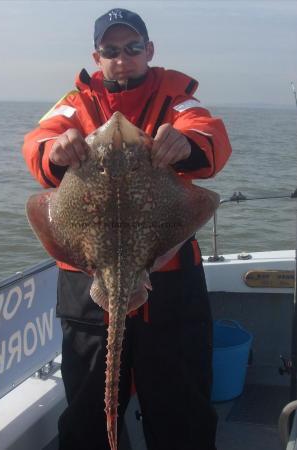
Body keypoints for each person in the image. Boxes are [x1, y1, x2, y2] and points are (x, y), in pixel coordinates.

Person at [22, 8, 232, 450]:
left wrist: (187, 143)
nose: (122, 58)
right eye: (111, 50)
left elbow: (210, 135)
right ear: (97, 56)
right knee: (88, 403)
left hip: (169, 279)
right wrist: (55, 150)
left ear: (149, 51)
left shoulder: (176, 97)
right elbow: (38, 141)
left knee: (180, 404)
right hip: (88, 278)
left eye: (133, 48)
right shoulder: (75, 103)